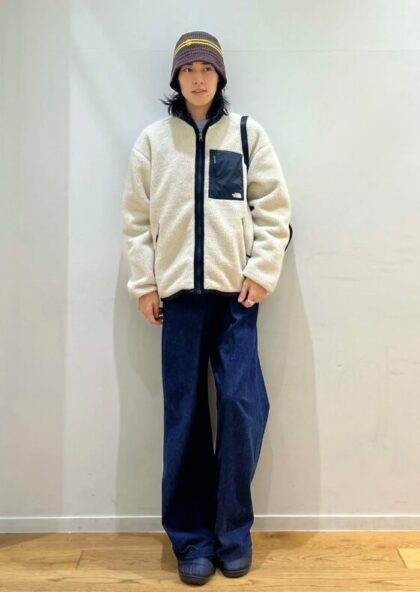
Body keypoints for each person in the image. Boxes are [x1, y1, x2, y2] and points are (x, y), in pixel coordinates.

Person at [121, 30, 292, 586]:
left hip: (235, 298)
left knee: (242, 408)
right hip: (177, 301)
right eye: (189, 68)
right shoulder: (153, 142)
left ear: (220, 77)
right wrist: (145, 283)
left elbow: (274, 212)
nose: (198, 78)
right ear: (176, 77)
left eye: (207, 68)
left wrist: (261, 272)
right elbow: (136, 221)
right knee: (186, 417)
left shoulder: (246, 134)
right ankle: (192, 540)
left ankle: (232, 534)